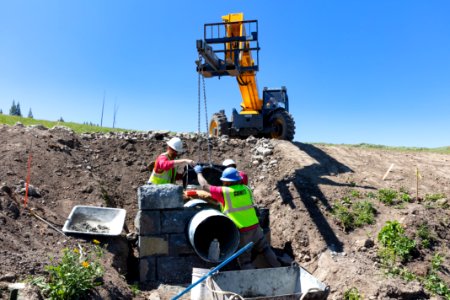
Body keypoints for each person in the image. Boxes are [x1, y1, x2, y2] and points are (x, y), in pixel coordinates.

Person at [194, 165, 281, 269]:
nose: (222, 182)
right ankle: (279, 267)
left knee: (244, 260)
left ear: (227, 182)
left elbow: (204, 186)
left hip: (243, 232)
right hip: (256, 227)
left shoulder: (225, 192)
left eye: (224, 181)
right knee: (265, 249)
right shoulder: (246, 189)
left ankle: (252, 283)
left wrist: (198, 172)